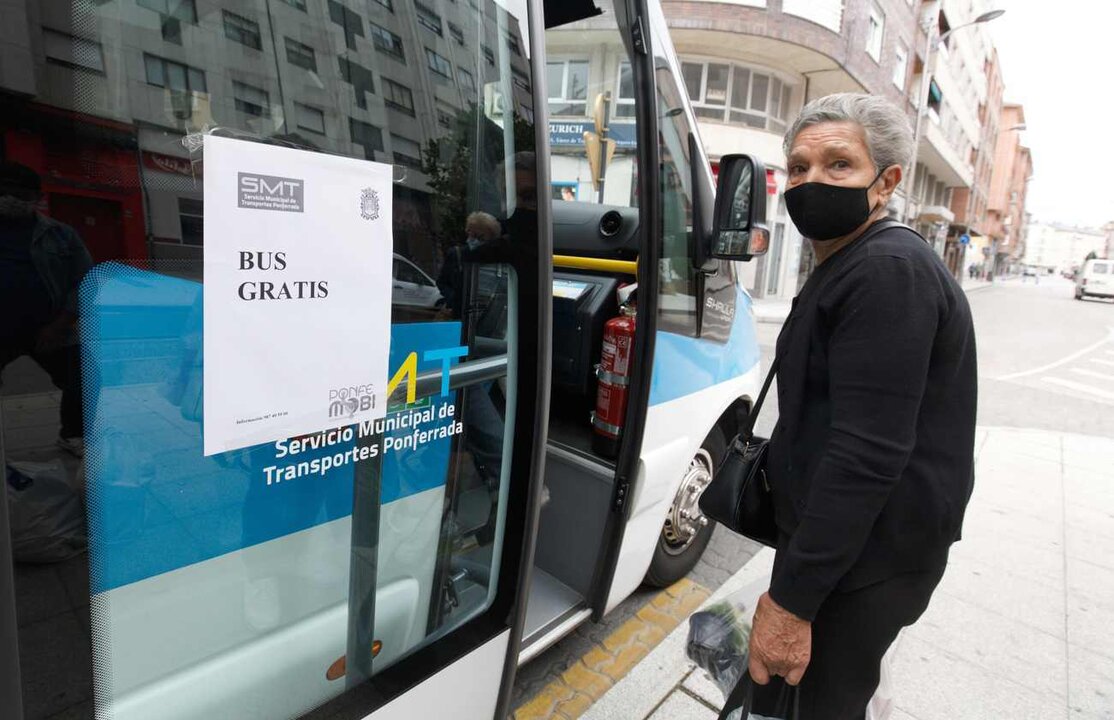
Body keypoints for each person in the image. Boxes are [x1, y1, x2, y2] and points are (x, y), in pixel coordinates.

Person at [746, 94, 977, 719]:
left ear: (887, 183)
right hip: (850, 547)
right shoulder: (852, 261)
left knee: (818, 705)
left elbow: (865, 454)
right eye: (798, 168)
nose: (810, 182)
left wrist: (791, 604)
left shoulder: (888, 271)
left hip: (869, 560)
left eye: (838, 165)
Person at [0, 162, 92, 456]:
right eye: (7, 191)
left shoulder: (60, 235)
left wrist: (61, 324)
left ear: (36, 197)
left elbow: (86, 281)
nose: (14, 199)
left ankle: (73, 434)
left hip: (49, 327)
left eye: (22, 193)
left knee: (85, 376)